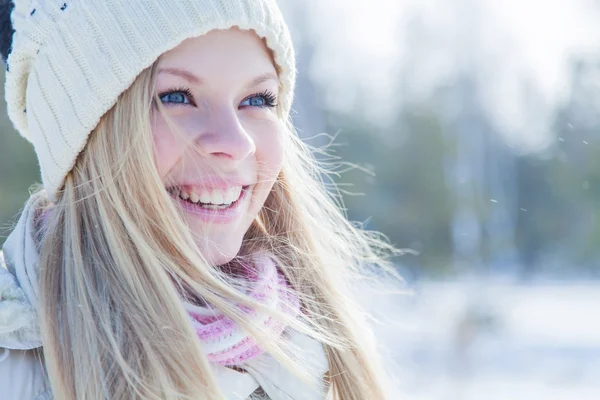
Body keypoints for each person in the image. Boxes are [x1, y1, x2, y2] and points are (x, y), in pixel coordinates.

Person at [0, 0, 398, 399]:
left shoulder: (320, 353)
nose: (235, 142)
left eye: (258, 99)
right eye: (176, 96)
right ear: (85, 138)